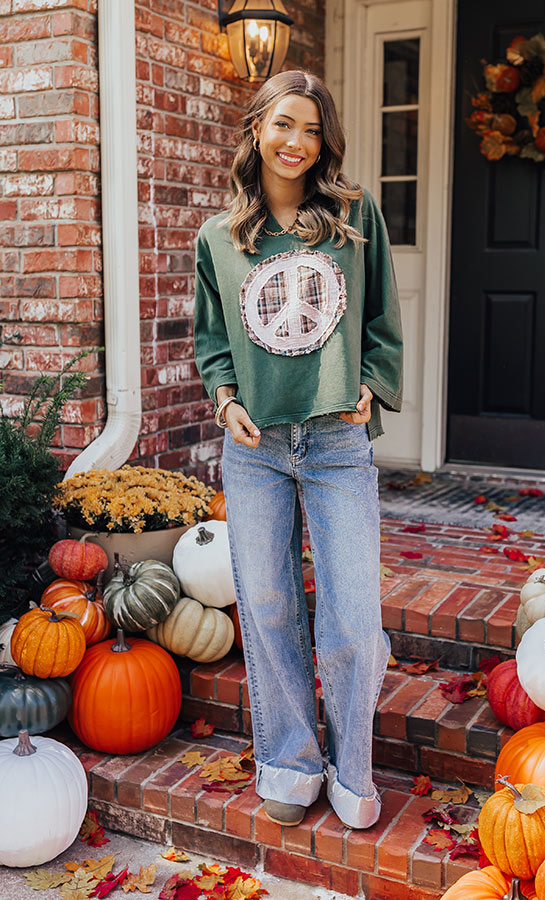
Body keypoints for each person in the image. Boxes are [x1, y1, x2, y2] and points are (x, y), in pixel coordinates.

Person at [193, 69, 403, 830]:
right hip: (254, 448)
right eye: (284, 124)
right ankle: (287, 759)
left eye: (312, 129)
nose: (297, 143)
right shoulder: (218, 237)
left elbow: (381, 314)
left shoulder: (353, 215)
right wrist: (224, 400)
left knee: (351, 614)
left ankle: (351, 770)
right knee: (271, 604)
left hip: (336, 442)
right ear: (256, 129)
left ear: (326, 140)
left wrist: (372, 385)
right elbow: (213, 342)